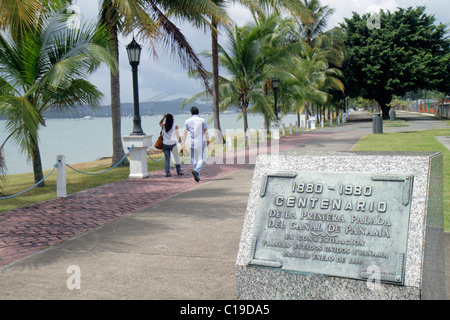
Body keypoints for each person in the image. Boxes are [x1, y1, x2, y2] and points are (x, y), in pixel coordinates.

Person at [181, 106, 210, 182]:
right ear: (198, 112)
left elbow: (184, 133)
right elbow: (205, 131)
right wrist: (208, 141)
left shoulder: (187, 121)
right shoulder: (202, 120)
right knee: (202, 158)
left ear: (191, 113)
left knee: (193, 159)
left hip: (191, 142)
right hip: (200, 141)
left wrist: (183, 143)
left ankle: (197, 175)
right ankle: (197, 171)